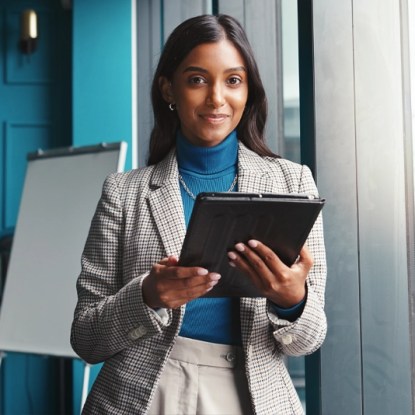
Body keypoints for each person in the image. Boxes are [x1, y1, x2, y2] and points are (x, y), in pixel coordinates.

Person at [71, 14, 327, 415]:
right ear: (168, 88)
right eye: (197, 80)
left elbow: (307, 340)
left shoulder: (292, 184)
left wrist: (292, 300)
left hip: (250, 397)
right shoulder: (123, 193)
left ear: (248, 91)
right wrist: (148, 295)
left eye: (233, 80)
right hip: (141, 397)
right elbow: (86, 339)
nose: (216, 99)